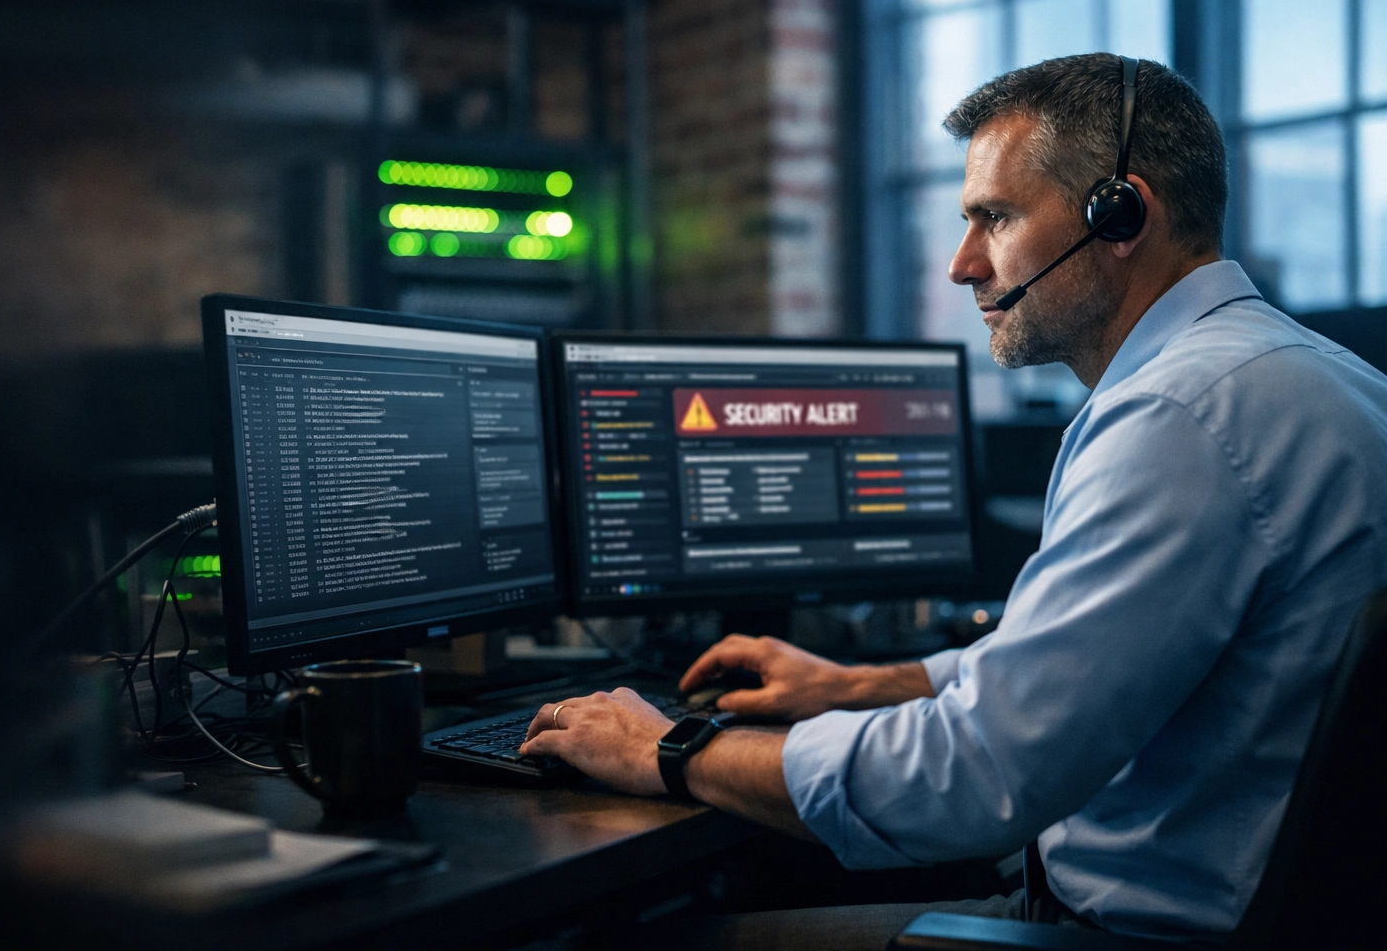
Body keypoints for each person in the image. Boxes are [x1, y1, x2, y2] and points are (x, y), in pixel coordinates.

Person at [519, 53, 1387, 947]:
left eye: (995, 218)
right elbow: (1084, 669)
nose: (962, 264)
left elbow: (974, 778)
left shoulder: (1176, 417)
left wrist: (668, 751)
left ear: (1118, 214)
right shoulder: (1324, 381)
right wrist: (861, 684)